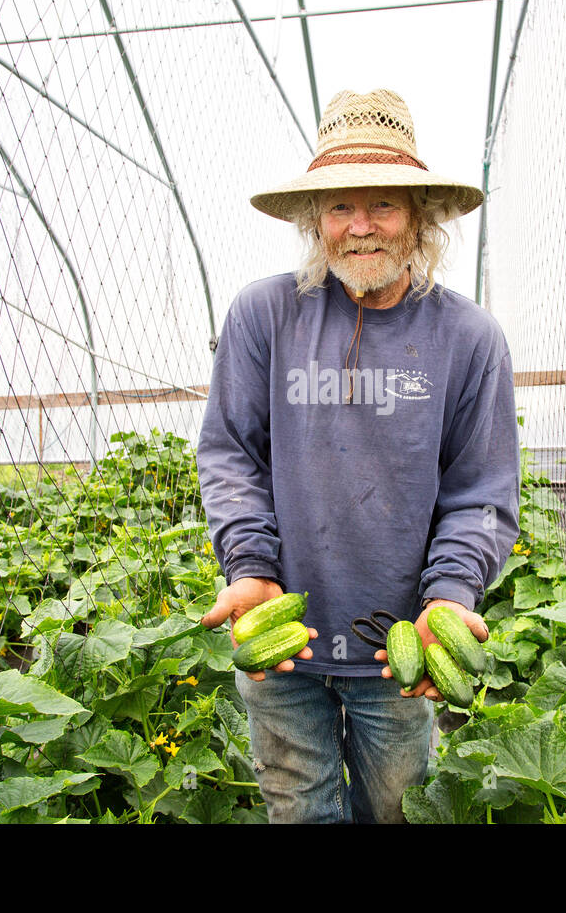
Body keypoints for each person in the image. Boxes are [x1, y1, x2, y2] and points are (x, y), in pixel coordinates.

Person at [196, 88, 520, 823]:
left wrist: (450, 596)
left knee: (397, 811)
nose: (361, 227)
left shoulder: (469, 339)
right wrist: (248, 567)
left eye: (384, 205)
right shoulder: (263, 315)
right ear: (316, 220)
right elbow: (231, 454)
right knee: (301, 814)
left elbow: (481, 492)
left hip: (397, 650)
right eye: (341, 206)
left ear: (421, 217)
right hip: (279, 641)